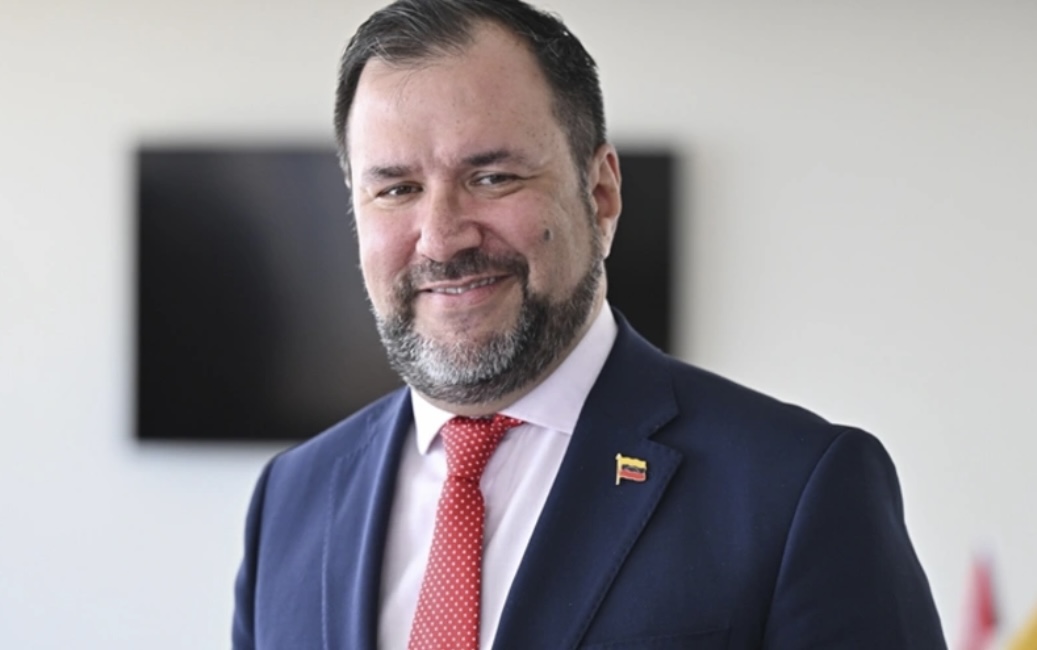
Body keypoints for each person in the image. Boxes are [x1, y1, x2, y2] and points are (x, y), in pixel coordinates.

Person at [232, 0, 947, 648]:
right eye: (396, 189)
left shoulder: (793, 488)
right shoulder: (291, 498)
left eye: (492, 177)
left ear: (600, 195)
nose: (442, 238)